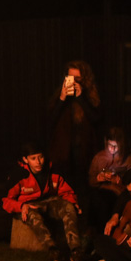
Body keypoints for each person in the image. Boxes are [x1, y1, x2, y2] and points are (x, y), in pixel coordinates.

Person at [2, 142, 85, 261]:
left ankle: (76, 250)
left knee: (68, 206)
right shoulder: (19, 175)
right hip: (26, 206)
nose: (38, 162)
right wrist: (21, 206)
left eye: (40, 157)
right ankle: (52, 250)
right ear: (25, 159)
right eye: (33, 158)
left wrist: (73, 202)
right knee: (33, 215)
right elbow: (5, 200)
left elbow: (66, 191)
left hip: (46, 202)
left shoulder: (51, 170)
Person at [47, 60, 102, 216]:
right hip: (63, 153)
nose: (73, 81)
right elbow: (50, 121)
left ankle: (85, 227)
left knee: (84, 190)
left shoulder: (90, 97)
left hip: (84, 153)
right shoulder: (60, 96)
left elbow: (96, 119)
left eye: (77, 78)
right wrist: (62, 99)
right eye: (70, 77)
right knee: (63, 190)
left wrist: (80, 98)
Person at [86, 127, 131, 229]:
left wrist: (119, 181)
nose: (112, 149)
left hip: (120, 194)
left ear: (121, 145)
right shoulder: (99, 158)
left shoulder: (130, 160)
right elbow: (90, 181)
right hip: (103, 192)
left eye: (115, 146)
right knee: (97, 199)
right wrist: (98, 178)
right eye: (110, 145)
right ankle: (95, 231)